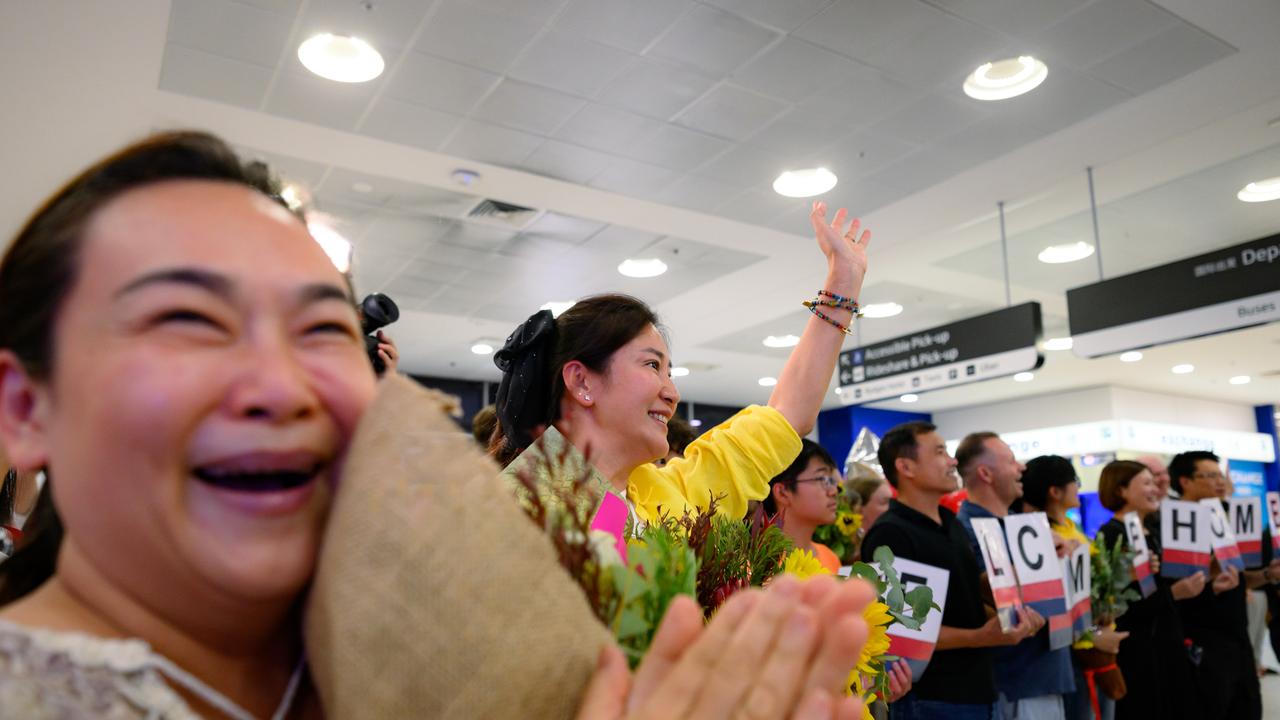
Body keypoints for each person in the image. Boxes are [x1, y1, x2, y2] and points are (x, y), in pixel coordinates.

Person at [0, 131, 875, 719]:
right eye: (188, 321)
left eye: (320, 331)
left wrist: (838, 296)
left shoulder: (378, 652)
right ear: (24, 407)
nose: (281, 385)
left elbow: (780, 420)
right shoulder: (497, 516)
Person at [491, 200, 871, 529]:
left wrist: (844, 282)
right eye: (652, 365)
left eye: (669, 372)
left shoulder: (661, 499)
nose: (672, 394)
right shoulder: (519, 512)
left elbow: (787, 419)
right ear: (581, 381)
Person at [862, 422, 1038, 719]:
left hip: (980, 688)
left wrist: (1011, 612)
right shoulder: (891, 534)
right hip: (932, 698)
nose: (953, 461)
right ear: (906, 467)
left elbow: (964, 595)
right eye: (940, 452)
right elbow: (901, 632)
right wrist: (980, 636)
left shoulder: (950, 521)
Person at [954, 434, 1071, 720]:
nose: (1021, 468)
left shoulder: (1019, 525)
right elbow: (992, 599)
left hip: (1044, 673)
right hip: (1016, 680)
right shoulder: (967, 530)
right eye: (1010, 461)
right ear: (985, 473)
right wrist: (1044, 560)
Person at [1095, 460, 1205, 719]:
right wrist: (1174, 594)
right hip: (1139, 654)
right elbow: (1116, 604)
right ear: (1121, 490)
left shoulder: (1152, 530)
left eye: (1155, 482)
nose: (1155, 489)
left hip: (1168, 645)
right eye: (1146, 483)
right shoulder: (1112, 534)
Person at [1020, 455, 1126, 720]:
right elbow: (1051, 605)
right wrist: (1091, 635)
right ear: (1055, 492)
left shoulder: (1073, 529)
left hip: (1098, 645)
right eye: (1075, 481)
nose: (1078, 487)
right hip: (1074, 654)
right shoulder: (1041, 538)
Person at [1165, 451, 1261, 720]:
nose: (1220, 482)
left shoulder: (1224, 516)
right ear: (1185, 481)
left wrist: (1267, 574)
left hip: (1238, 637)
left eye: (1221, 475)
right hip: (1200, 642)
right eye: (1210, 476)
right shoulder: (1174, 523)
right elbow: (1176, 591)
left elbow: (1239, 577)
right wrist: (1211, 582)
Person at [766, 440, 843, 574]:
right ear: (782, 493)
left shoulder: (830, 557)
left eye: (832, 481)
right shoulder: (759, 566)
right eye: (822, 479)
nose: (834, 491)